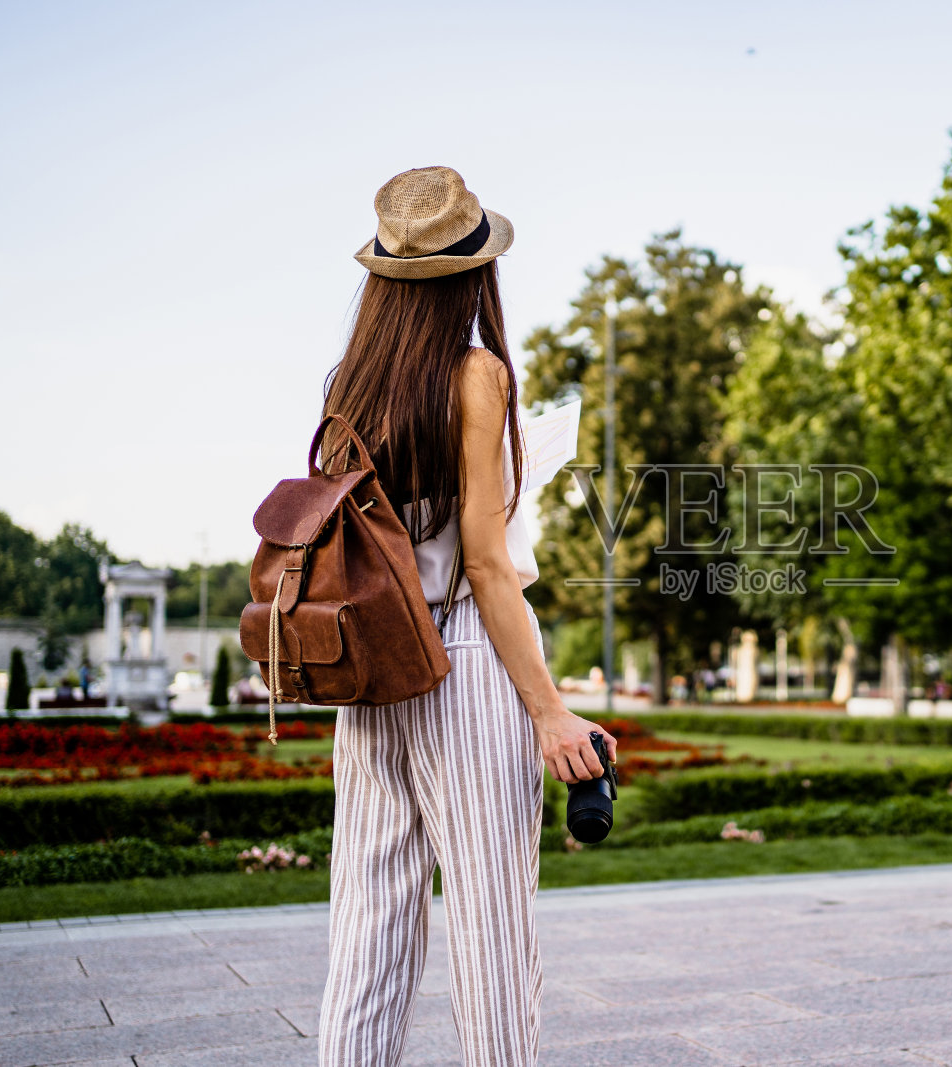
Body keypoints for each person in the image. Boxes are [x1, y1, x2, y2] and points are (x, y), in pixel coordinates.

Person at [316, 166, 618, 1067]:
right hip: (461, 660)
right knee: (491, 940)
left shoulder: (349, 380)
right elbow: (485, 565)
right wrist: (552, 710)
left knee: (367, 941)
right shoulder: (477, 374)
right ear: (473, 276)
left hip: (370, 669)